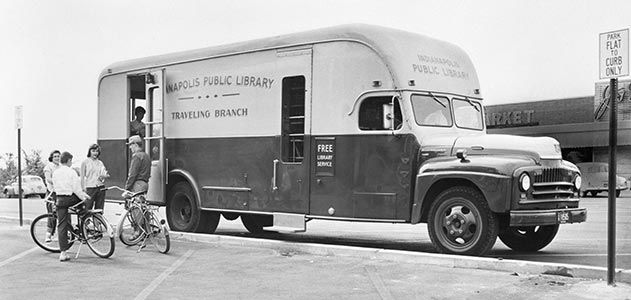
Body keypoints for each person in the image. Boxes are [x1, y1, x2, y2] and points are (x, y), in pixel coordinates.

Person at [52, 151, 90, 262]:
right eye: (71, 161)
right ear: (69, 161)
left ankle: (63, 253)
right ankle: (83, 225)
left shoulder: (55, 172)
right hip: (70, 198)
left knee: (62, 225)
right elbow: (76, 189)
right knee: (82, 206)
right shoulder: (71, 172)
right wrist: (84, 197)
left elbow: (55, 187)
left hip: (60, 199)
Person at [80, 144, 109, 210]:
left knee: (99, 209)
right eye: (93, 151)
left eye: (97, 151)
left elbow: (104, 174)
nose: (95, 153)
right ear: (89, 151)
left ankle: (97, 220)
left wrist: (104, 176)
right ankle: (86, 220)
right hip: (90, 188)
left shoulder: (100, 163)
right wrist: (83, 189)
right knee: (87, 208)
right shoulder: (85, 162)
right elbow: (82, 177)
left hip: (100, 187)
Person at [42, 150, 61, 243]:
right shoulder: (48, 167)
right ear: (51, 158)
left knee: (62, 214)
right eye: (55, 156)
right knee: (51, 214)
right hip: (51, 193)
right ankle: (48, 234)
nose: (57, 158)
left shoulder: (61, 167)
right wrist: (59, 182)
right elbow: (48, 179)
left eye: (58, 156)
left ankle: (61, 234)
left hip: (61, 193)